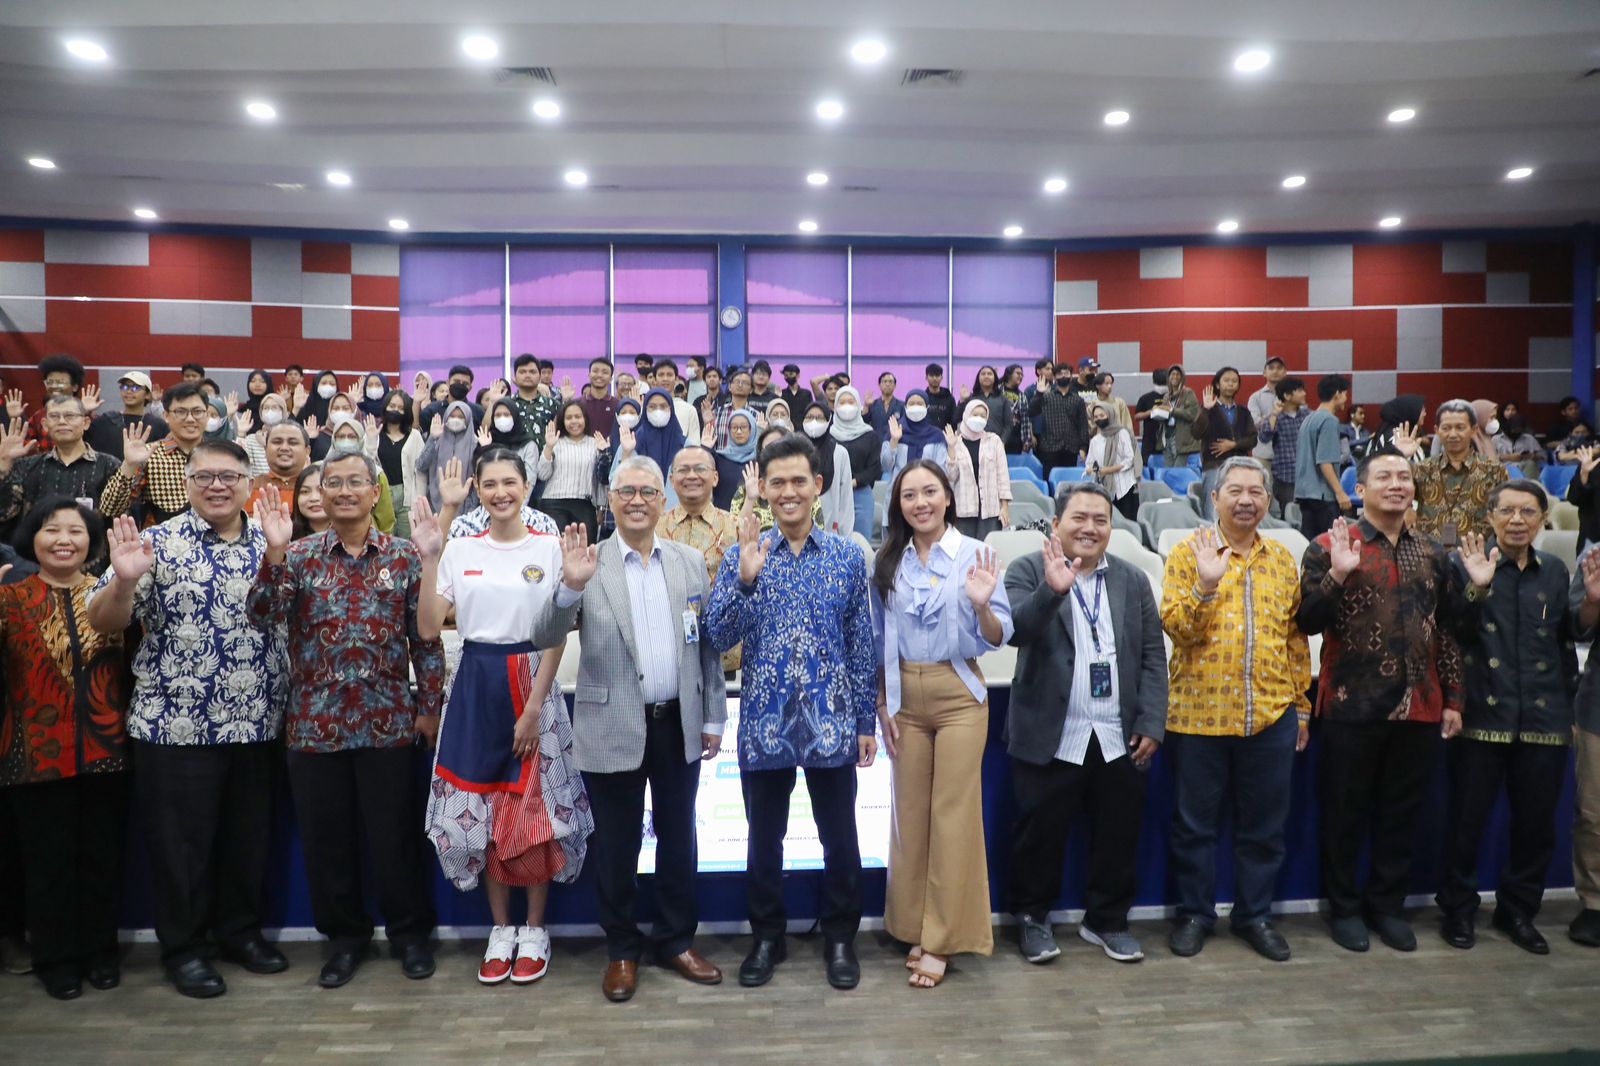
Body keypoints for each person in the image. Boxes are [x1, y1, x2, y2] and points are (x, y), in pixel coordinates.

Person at [87, 440, 289, 999]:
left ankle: (239, 934)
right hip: (176, 725)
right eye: (204, 477)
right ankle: (185, 948)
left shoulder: (275, 541)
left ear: (249, 482)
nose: (217, 486)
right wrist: (124, 581)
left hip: (258, 722)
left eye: (229, 476)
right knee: (182, 846)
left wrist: (278, 555)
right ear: (186, 482)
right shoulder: (155, 542)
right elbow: (103, 618)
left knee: (248, 840)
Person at [532, 456, 728, 1002]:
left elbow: (705, 647)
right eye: (627, 491)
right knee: (617, 846)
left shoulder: (689, 563)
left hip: (677, 724)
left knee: (679, 840)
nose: (637, 499)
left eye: (647, 491)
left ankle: (675, 940)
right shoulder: (585, 563)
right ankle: (621, 949)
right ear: (611, 501)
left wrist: (712, 716)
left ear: (662, 501)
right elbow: (542, 632)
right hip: (610, 722)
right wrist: (569, 589)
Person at [248, 452, 443, 990]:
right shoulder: (300, 554)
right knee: (327, 842)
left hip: (389, 723)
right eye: (332, 483)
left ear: (376, 492)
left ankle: (410, 936)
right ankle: (345, 940)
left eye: (355, 481)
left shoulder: (404, 555)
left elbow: (424, 640)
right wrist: (275, 551)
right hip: (314, 726)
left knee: (395, 837)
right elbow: (263, 614)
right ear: (319, 494)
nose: (343, 491)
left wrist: (429, 707)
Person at [412, 448, 591, 987]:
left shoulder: (551, 547)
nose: (500, 493)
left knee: (534, 815)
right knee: (485, 811)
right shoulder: (458, 547)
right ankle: (501, 930)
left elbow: (556, 630)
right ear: (476, 489)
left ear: (526, 484)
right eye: (489, 484)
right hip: (474, 685)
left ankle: (535, 930)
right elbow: (426, 628)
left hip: (533, 683)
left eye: (509, 482)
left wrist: (535, 707)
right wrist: (428, 558)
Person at [705, 433, 877, 991]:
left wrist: (864, 725)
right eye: (776, 483)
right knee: (763, 840)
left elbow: (861, 645)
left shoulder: (849, 556)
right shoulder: (743, 554)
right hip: (764, 725)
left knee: (841, 838)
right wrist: (745, 581)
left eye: (798, 481)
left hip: (832, 724)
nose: (788, 492)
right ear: (763, 490)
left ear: (818, 486)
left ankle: (841, 939)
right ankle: (767, 938)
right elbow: (716, 635)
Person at [1298, 452, 1464, 953]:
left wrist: (1454, 697)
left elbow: (1450, 632)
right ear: (1362, 488)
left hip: (1421, 705)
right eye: (1385, 477)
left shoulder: (1435, 552)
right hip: (1352, 704)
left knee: (1402, 813)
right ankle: (1345, 909)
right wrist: (1338, 574)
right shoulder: (1329, 545)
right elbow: (1305, 620)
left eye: (1404, 477)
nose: (1397, 485)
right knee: (1345, 814)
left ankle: (1387, 907)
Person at [1004, 482, 1166, 965]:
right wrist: (1052, 592)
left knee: (1118, 834)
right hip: (1052, 731)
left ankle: (1107, 921)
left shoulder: (1133, 580)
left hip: (1118, 733)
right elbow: (1016, 629)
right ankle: (1032, 920)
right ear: (1056, 524)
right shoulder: (1028, 569)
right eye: (1079, 518)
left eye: (1101, 520)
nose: (1090, 528)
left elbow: (1153, 656)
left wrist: (1153, 721)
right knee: (1039, 837)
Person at [1161, 458, 1311, 962]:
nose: (1247, 500)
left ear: (1269, 502)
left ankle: (1255, 915)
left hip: (1270, 715)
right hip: (1198, 715)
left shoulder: (1284, 559)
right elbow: (1179, 629)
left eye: (1256, 492)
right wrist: (1206, 585)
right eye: (1236, 491)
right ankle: (1195, 915)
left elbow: (1294, 640)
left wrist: (1302, 708)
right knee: (1194, 827)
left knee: (1264, 828)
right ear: (1215, 498)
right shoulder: (1187, 553)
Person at [871, 460, 1012, 987]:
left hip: (959, 696)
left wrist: (982, 608)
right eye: (909, 495)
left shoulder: (976, 555)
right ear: (899, 505)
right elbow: (879, 638)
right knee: (909, 815)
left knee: (953, 815)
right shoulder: (888, 559)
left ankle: (943, 939)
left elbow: (997, 636)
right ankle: (912, 925)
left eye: (930, 492)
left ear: (948, 498)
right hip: (904, 695)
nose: (920, 503)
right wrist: (882, 705)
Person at [1437, 481, 1578, 953]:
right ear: (1491, 516)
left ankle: (1518, 911)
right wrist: (1478, 589)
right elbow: (1452, 630)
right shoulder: (1465, 563)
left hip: (1545, 717)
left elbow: (1567, 638)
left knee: (1536, 827)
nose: (1518, 520)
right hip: (1482, 712)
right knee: (1466, 822)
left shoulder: (1556, 571)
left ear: (1543, 519)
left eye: (1529, 512)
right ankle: (1458, 911)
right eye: (1508, 511)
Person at [0, 499, 127, 1000]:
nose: (63, 540)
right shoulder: (11, 597)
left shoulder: (111, 592)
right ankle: (56, 958)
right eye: (51, 530)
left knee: (102, 858)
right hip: (32, 754)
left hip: (106, 750)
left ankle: (101, 953)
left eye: (76, 531)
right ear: (33, 538)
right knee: (47, 863)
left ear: (91, 543)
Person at [0, 396, 121, 561]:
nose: (62, 421)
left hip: (93, 568)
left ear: (86, 422)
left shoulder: (109, 466)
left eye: (70, 416)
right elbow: (5, 515)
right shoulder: (27, 466)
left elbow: (119, 518)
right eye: (55, 416)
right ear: (45, 424)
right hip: (35, 567)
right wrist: (4, 466)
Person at [98, 383, 213, 528]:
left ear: (207, 415)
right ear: (166, 416)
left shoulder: (220, 456)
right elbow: (109, 509)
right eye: (181, 412)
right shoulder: (149, 455)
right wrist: (129, 466)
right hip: (160, 546)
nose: (190, 419)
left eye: (197, 411)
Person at [1394, 400, 1505, 547]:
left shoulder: (1494, 470)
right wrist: (1400, 456)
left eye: (1460, 427)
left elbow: (1506, 511)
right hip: (1429, 556)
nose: (1453, 434)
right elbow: (1393, 494)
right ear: (1437, 430)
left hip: (1477, 557)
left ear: (1474, 430)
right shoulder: (1422, 469)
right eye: (1446, 428)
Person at [1571, 546, 1600, 947]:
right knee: (1594, 812)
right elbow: (1577, 628)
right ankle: (1595, 904)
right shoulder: (1595, 558)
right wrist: (1595, 602)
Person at [536, 400, 609, 542]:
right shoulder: (555, 443)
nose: (574, 421)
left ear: (585, 419)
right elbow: (542, 474)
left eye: (578, 417)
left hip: (584, 505)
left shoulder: (595, 444)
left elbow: (601, 480)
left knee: (586, 552)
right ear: (563, 421)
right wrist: (549, 447)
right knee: (557, 551)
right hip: (553, 504)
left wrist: (601, 507)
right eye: (569, 418)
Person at [1192, 367, 1258, 520]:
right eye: (1226, 380)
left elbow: (1253, 439)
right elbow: (1196, 433)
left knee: (1238, 511)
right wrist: (1206, 410)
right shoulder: (1208, 409)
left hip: (1239, 468)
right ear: (1217, 385)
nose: (1231, 384)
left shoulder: (1243, 411)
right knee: (1212, 512)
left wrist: (1234, 444)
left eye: (1234, 381)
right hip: (1214, 467)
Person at [1292, 374, 1351, 539]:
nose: (1346, 399)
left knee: (1311, 545)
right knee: (1329, 546)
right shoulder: (1329, 421)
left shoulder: (1308, 419)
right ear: (1337, 394)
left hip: (1305, 493)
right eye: (1345, 394)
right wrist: (1340, 493)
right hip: (1323, 495)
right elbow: (1324, 462)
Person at [946, 399, 1012, 537]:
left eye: (983, 416)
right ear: (966, 416)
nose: (979, 419)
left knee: (987, 552)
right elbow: (951, 476)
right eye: (975, 414)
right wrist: (951, 448)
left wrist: (1004, 507)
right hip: (963, 510)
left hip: (990, 509)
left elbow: (1002, 476)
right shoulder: (955, 442)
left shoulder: (994, 441)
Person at [612, 389, 686, 510]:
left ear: (671, 409)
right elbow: (615, 481)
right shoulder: (630, 442)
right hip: (638, 513)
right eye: (652, 407)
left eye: (663, 406)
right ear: (645, 410)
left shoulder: (685, 445)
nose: (658, 411)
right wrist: (627, 453)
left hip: (677, 516)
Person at [829, 387, 882, 542]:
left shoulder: (869, 435)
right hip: (832, 493)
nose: (846, 406)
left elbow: (875, 468)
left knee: (861, 542)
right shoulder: (828, 435)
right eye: (842, 402)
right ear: (835, 406)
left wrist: (853, 482)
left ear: (858, 405)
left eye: (851, 402)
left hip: (860, 495)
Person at [1257, 377, 1310, 518]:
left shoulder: (1308, 415)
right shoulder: (1275, 418)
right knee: (1289, 515)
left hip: (1307, 475)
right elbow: (1264, 437)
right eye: (1299, 391)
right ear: (1287, 396)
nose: (1304, 393)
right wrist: (1274, 413)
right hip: (1286, 476)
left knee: (1307, 514)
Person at [418, 399, 483, 515]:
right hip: (435, 505)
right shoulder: (436, 441)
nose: (456, 419)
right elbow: (421, 466)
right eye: (452, 416)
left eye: (460, 417)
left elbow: (479, 477)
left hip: (466, 509)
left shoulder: (476, 444)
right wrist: (432, 439)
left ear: (468, 419)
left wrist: (485, 449)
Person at [85, 370, 167, 459]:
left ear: (147, 395)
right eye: (125, 387)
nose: (128, 391)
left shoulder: (158, 425)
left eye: (135, 388)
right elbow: (79, 439)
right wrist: (84, 411)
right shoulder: (105, 420)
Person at [376, 390, 423, 540]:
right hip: (382, 495)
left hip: (407, 497)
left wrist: (418, 498)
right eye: (392, 406)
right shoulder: (374, 433)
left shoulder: (414, 436)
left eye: (400, 408)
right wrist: (370, 440)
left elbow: (421, 469)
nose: (395, 410)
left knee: (408, 542)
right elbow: (367, 463)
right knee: (384, 541)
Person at [1030, 363, 1090, 478]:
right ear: (1054, 377)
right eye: (1059, 374)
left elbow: (1083, 425)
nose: (1063, 376)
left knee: (1070, 482)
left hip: (1071, 448)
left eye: (1066, 373)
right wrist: (1039, 393)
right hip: (1049, 447)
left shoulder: (1078, 399)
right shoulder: (1046, 396)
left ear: (1071, 377)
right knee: (1050, 481)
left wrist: (1083, 447)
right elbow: (1032, 412)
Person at [1085, 399, 1139, 520]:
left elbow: (1129, 460)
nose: (1099, 419)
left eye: (1102, 415)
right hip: (1105, 489)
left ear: (1110, 415)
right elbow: (1089, 464)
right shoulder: (1095, 440)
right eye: (1096, 417)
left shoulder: (1122, 434)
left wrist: (1107, 470)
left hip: (1125, 488)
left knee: (1127, 524)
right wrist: (1092, 470)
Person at [245, 418, 311, 516]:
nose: (284, 448)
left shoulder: (318, 490)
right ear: (265, 449)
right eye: (277, 442)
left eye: (293, 443)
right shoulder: (247, 488)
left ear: (307, 451)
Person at [882, 390, 951, 479]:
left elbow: (942, 471)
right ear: (905, 407)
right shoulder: (895, 431)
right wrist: (894, 440)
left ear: (927, 407)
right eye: (911, 403)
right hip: (899, 490)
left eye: (920, 404)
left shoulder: (936, 436)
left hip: (927, 489)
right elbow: (886, 467)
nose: (915, 407)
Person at [506, 353, 562, 453]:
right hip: (514, 462)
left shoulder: (552, 404)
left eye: (532, 372)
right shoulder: (507, 404)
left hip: (546, 462)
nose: (527, 375)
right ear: (515, 376)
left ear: (540, 376)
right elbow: (487, 429)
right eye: (522, 372)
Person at [709, 407, 758, 512]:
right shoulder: (718, 458)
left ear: (751, 429)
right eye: (734, 427)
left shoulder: (759, 460)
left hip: (753, 520)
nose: (739, 431)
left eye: (743, 427)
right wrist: (705, 448)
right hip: (721, 519)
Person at [1157, 365, 1202, 470]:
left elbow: (1192, 414)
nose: (1175, 377)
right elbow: (1166, 412)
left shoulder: (1188, 393)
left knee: (1178, 471)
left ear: (1182, 378)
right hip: (1167, 437)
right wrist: (1159, 413)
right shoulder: (1166, 396)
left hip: (1182, 439)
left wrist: (1172, 410)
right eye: (1172, 374)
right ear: (1168, 377)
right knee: (1168, 471)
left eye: (1178, 374)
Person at [241, 391, 291, 477]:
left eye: (274, 408)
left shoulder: (291, 439)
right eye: (266, 408)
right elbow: (242, 464)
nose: (270, 411)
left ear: (283, 412)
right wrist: (241, 433)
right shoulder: (251, 439)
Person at [959, 365, 1014, 444]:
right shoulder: (971, 398)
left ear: (995, 377)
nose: (986, 376)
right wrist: (963, 400)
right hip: (973, 443)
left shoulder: (1003, 399)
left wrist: (1002, 442)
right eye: (983, 374)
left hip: (995, 443)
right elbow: (957, 419)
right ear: (978, 378)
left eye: (989, 374)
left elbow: (1008, 424)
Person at [1248, 357, 1288, 463]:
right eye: (1271, 368)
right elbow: (1254, 423)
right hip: (1263, 456)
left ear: (1285, 373)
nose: (1275, 371)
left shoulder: (1292, 397)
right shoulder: (1255, 397)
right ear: (1264, 373)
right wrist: (1274, 416)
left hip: (1288, 457)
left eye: (1279, 368)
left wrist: (1266, 420)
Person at [709, 368, 756, 448]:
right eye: (737, 382)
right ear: (730, 386)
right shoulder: (716, 413)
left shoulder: (756, 416)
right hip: (720, 459)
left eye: (745, 383)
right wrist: (707, 423)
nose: (740, 385)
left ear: (751, 389)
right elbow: (709, 440)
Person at [1491, 404, 1541, 476]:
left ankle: (1528, 486)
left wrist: (1533, 456)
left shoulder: (1529, 438)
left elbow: (1543, 456)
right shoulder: (1496, 439)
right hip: (1503, 468)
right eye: (1514, 431)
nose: (1516, 433)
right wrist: (1508, 457)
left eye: (1519, 431)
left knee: (1531, 464)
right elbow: (1489, 458)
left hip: (1525, 467)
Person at [1133, 369, 1168, 464]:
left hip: (1169, 438)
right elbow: (1136, 416)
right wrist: (1150, 412)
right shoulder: (1146, 398)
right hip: (1149, 440)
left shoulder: (1172, 397)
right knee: (1146, 465)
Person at [578, 358, 617, 440]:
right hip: (582, 451)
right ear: (589, 375)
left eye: (605, 372)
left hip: (610, 451)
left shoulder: (618, 405)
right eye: (595, 371)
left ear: (611, 379)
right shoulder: (578, 404)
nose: (599, 375)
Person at [1001, 365, 1036, 454]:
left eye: (1022, 374)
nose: (1020, 376)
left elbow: (1026, 419)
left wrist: (1026, 440)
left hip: (1015, 439)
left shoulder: (1022, 396)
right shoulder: (997, 391)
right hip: (999, 436)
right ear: (1009, 374)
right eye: (1018, 373)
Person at [291, 462, 329, 540]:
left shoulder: (352, 535)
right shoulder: (286, 536)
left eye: (321, 491)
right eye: (305, 491)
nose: (314, 498)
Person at [922, 364, 958, 430]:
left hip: (946, 436)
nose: (934, 378)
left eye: (937, 375)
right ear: (926, 378)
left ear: (941, 378)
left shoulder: (949, 398)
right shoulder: (922, 398)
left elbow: (954, 420)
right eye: (931, 375)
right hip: (926, 437)